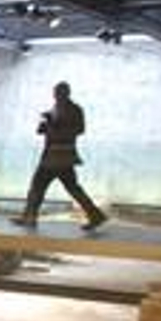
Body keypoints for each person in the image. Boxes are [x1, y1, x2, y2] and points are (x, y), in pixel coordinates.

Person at [11, 81, 108, 230]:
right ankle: (95, 215)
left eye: (58, 92)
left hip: (58, 157)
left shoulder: (74, 109)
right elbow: (48, 130)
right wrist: (46, 124)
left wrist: (53, 127)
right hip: (56, 155)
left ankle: (29, 217)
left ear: (66, 93)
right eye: (55, 93)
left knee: (39, 185)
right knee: (70, 187)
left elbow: (79, 129)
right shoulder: (57, 108)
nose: (56, 96)